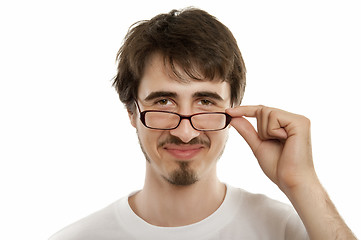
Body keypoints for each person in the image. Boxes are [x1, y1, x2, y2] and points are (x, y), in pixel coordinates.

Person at [49, 8, 356, 240]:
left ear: (234, 110)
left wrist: (302, 184)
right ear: (132, 111)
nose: (185, 132)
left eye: (206, 102)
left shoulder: (287, 229)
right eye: (164, 102)